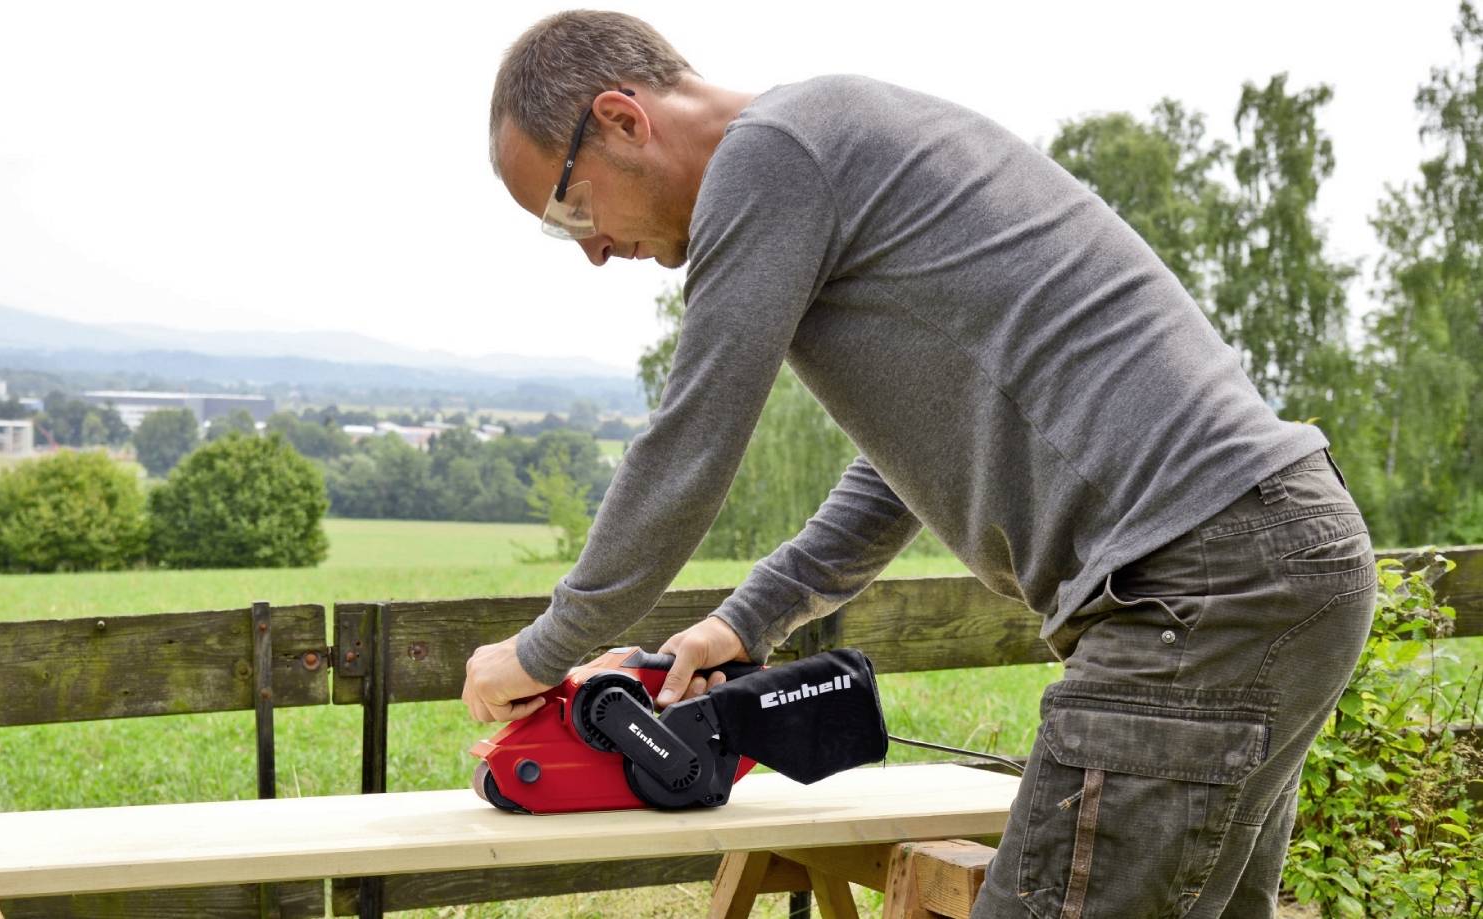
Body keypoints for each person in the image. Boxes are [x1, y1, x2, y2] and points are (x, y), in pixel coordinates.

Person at [462, 10, 1375, 917]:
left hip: (1198, 589)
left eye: (570, 206)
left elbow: (689, 445)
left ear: (623, 119)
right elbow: (893, 477)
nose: (588, 248)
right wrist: (745, 622)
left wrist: (542, 651)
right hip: (1270, 562)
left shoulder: (770, 156)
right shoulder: (829, 144)